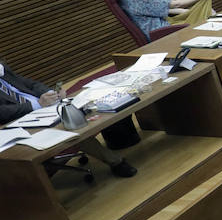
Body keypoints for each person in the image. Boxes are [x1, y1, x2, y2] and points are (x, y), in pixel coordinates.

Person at [0, 62, 137, 177]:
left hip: (45, 109)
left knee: (86, 106)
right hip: (22, 121)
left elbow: (30, 84)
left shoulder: (2, 69)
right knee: (70, 126)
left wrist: (49, 93)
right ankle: (116, 162)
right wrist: (36, 105)